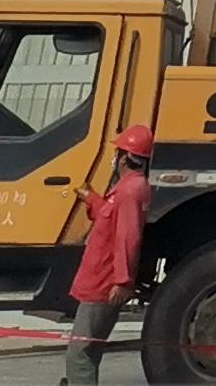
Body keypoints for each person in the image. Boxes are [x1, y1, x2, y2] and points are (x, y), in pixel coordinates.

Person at [62, 122, 155, 386]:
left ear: (125, 157)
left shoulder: (129, 191)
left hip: (103, 284)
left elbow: (128, 237)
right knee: (88, 350)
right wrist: (92, 199)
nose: (114, 157)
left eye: (118, 152)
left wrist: (122, 281)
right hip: (101, 280)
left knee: (80, 353)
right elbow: (112, 219)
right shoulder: (130, 188)